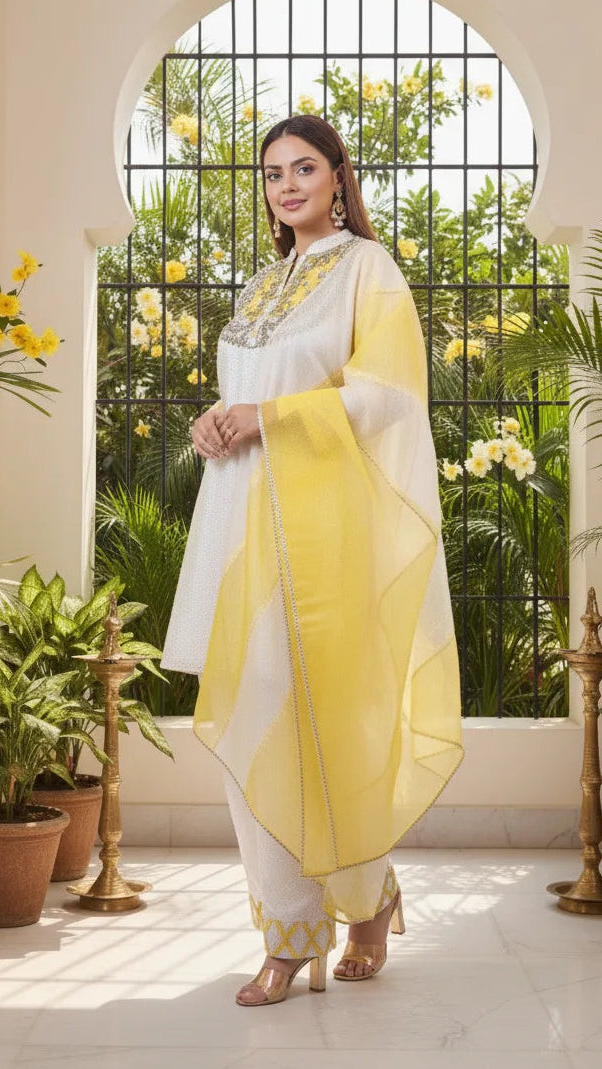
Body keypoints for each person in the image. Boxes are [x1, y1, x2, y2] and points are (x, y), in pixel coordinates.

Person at [161, 114, 464, 1007]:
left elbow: (387, 396)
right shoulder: (261, 283)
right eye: (270, 174)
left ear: (338, 176)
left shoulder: (367, 271)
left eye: (302, 167)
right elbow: (243, 395)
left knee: (328, 721)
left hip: (322, 531)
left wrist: (268, 418)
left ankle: (364, 905)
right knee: (250, 717)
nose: (285, 185)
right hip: (238, 519)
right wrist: (215, 419)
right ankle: (288, 928)